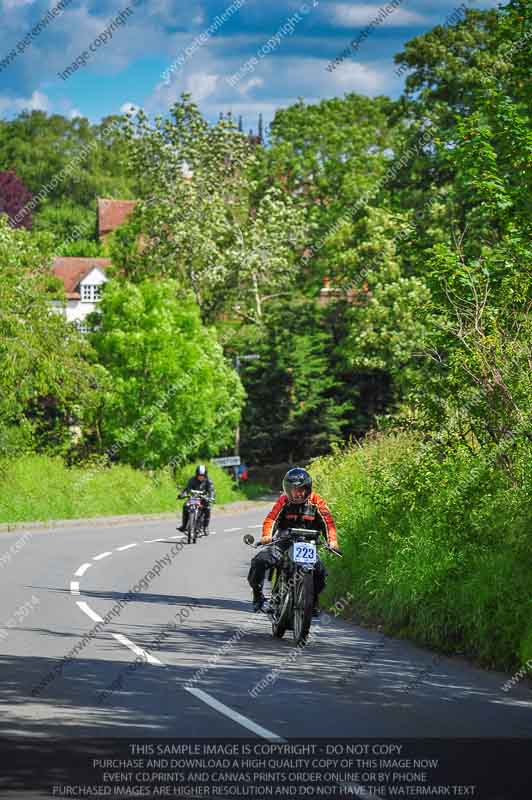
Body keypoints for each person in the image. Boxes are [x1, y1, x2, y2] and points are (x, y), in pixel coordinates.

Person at [247, 467, 339, 615]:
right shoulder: (283, 501)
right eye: (294, 489)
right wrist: (266, 536)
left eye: (301, 489)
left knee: (320, 572)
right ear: (287, 490)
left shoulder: (317, 501)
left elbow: (328, 522)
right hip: (284, 542)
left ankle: (312, 600)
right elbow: (272, 518)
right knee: (260, 561)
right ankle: (258, 598)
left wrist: (332, 541)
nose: (298, 493)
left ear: (308, 488)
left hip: (309, 544)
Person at [177, 464, 215, 534]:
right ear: (196, 474)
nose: (201, 477)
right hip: (193, 498)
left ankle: (205, 527)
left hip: (204, 499)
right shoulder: (192, 480)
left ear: (205, 475)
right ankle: (184, 526)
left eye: (202, 475)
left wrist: (211, 497)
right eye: (199, 475)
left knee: (208, 508)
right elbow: (187, 489)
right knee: (185, 506)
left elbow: (211, 490)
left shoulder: (208, 481)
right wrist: (182, 495)